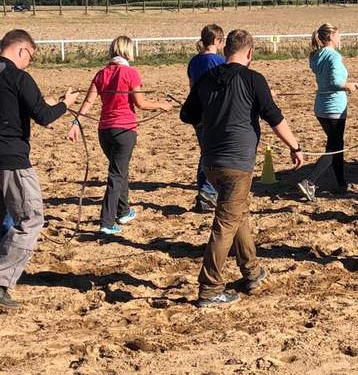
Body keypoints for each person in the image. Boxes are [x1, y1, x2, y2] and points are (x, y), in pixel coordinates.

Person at [180, 29, 304, 307]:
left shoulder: (207, 78)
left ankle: (251, 272)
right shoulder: (253, 79)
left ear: (226, 51)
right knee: (225, 223)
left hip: (211, 162)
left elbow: (187, 114)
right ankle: (210, 288)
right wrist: (295, 146)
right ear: (250, 52)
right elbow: (274, 117)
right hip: (237, 163)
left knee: (237, 214)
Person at [0, 29, 80, 309]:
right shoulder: (18, 77)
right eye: (30, 57)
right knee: (31, 219)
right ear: (21, 50)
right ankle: (1, 282)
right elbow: (44, 116)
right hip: (12, 160)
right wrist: (65, 105)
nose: (29, 62)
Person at [67, 36, 173, 235]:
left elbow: (88, 102)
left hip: (104, 131)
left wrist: (75, 123)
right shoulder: (130, 73)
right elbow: (141, 103)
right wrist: (161, 104)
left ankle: (123, 211)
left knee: (119, 169)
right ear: (127, 51)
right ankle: (107, 222)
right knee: (116, 174)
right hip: (124, 130)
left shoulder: (101, 74)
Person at [297, 24, 358, 202]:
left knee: (336, 144)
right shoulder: (334, 56)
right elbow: (336, 82)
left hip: (321, 107)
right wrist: (352, 85)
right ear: (331, 37)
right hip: (334, 107)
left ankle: (341, 183)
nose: (340, 38)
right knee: (334, 148)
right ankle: (310, 181)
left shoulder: (317, 56)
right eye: (338, 35)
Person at [187, 24, 226, 212]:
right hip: (213, 114)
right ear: (217, 41)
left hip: (197, 112)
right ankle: (207, 193)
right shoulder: (219, 61)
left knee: (205, 152)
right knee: (212, 155)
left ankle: (206, 193)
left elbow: (192, 86)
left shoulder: (194, 61)